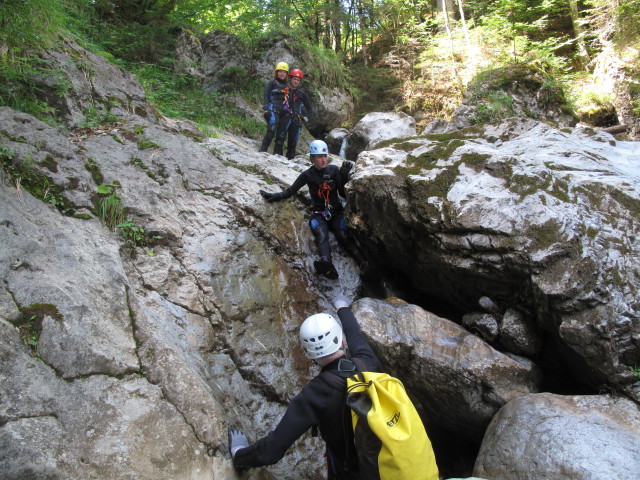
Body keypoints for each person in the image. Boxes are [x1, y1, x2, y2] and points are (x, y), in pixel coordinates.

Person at [228, 294, 380, 479]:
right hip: (390, 460)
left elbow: (272, 450)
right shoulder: (368, 363)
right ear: (342, 342)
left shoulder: (315, 395)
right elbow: (355, 334)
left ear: (308, 354)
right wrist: (342, 308)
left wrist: (239, 453)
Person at [258, 140, 371, 280]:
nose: (323, 160)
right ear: (312, 158)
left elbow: (342, 193)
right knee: (321, 233)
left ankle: (363, 263)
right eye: (319, 157)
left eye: (325, 156)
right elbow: (290, 191)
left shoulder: (333, 170)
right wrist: (275, 196)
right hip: (318, 213)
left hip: (336, 212)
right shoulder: (307, 175)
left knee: (342, 234)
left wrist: (343, 174)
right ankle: (326, 263)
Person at [274, 68, 312, 159]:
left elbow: (309, 109)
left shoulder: (302, 94)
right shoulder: (284, 90)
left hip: (296, 119)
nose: (296, 81)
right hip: (284, 117)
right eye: (294, 79)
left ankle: (290, 160)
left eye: (298, 80)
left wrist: (305, 117)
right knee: (280, 138)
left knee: (293, 142)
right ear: (290, 79)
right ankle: (276, 157)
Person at [259, 62, 290, 153]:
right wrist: (266, 109)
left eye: (284, 72)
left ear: (287, 74)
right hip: (273, 109)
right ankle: (263, 150)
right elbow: (265, 96)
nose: (282, 74)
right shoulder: (271, 83)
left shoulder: (288, 86)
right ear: (276, 73)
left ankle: (277, 154)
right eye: (280, 71)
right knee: (271, 129)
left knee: (281, 135)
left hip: (284, 112)